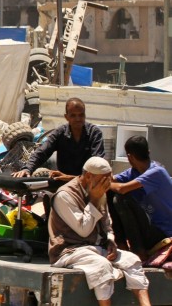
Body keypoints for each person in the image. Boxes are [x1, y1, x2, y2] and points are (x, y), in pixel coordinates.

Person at [48, 157, 150, 306]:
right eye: (104, 180)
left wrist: (110, 241)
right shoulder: (65, 195)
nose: (107, 184)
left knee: (132, 260)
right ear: (89, 176)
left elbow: (107, 224)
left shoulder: (98, 191)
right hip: (69, 250)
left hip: (95, 248)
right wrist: (94, 200)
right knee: (102, 266)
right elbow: (83, 230)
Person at [109, 135, 172, 261]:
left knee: (121, 198)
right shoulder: (134, 172)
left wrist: (104, 183)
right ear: (148, 152)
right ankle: (121, 244)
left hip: (162, 233)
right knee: (110, 192)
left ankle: (139, 251)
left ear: (129, 157)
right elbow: (112, 181)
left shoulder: (156, 172)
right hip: (146, 228)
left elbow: (122, 188)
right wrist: (72, 177)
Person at [12, 97, 104, 180]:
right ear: (66, 117)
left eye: (81, 115)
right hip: (63, 183)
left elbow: (98, 163)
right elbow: (42, 152)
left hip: (88, 183)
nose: (78, 119)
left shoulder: (94, 133)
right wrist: (27, 169)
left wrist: (74, 178)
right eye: (73, 115)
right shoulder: (60, 133)